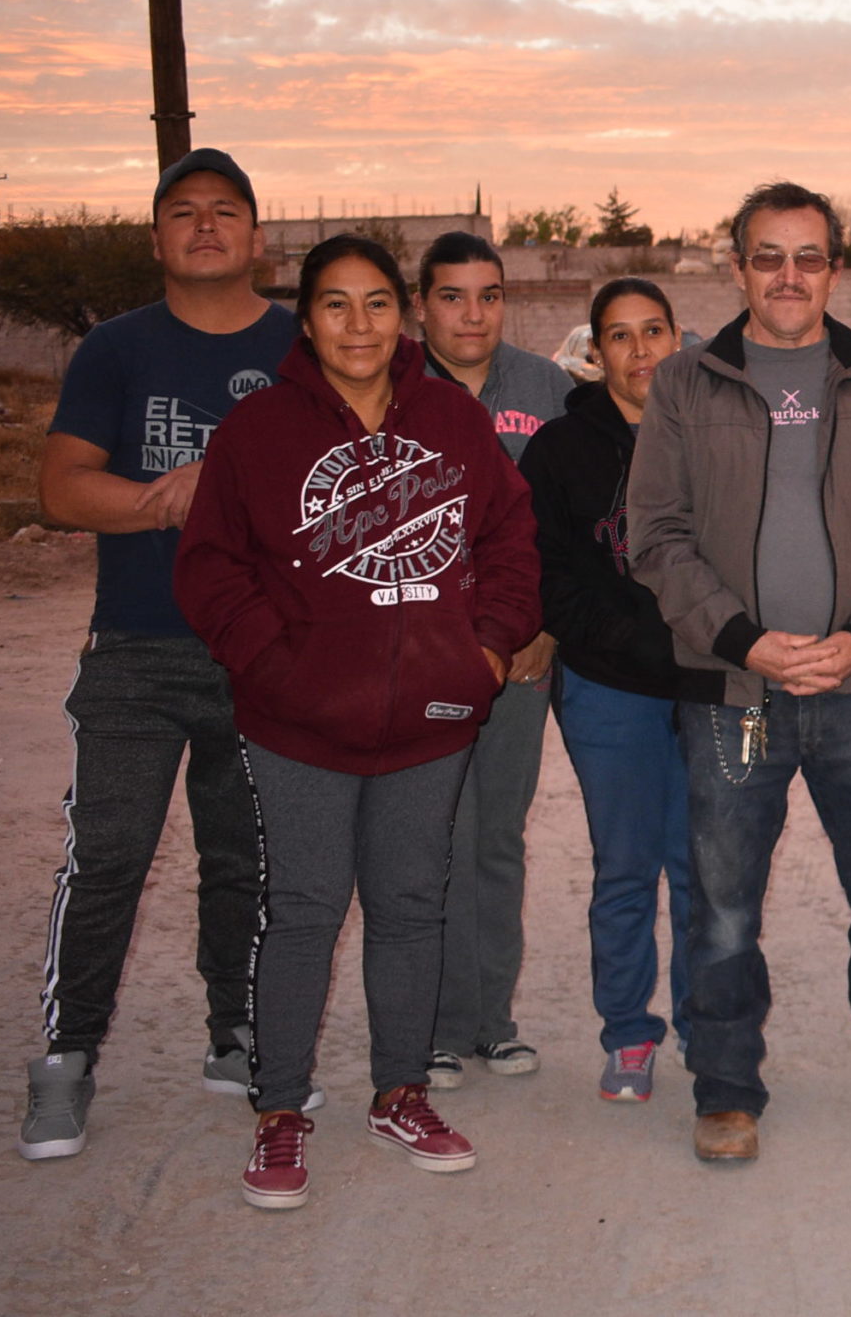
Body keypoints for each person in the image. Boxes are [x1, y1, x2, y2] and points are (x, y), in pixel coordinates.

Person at [174, 234, 540, 1210]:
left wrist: (491, 649)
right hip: (297, 727)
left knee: (412, 906)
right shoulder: (257, 430)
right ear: (307, 320)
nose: (360, 324)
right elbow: (210, 566)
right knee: (301, 911)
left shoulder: (449, 419)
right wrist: (273, 662)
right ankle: (281, 1106)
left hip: (430, 720)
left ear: (402, 314)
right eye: (337, 305)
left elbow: (509, 532)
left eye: (377, 303)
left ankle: (399, 1090)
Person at [627, 182, 851, 1161]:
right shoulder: (687, 384)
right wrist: (741, 639)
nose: (787, 274)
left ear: (834, 270)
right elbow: (657, 535)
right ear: (737, 268)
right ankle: (726, 1093)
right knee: (722, 909)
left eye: (807, 256)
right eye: (767, 255)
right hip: (735, 694)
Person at [17, 148, 298, 1161]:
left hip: (263, 653)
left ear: (258, 236)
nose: (208, 226)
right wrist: (159, 498)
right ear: (158, 238)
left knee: (247, 860)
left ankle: (235, 1031)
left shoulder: (305, 344)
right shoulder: (117, 351)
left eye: (228, 211)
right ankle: (65, 1057)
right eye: (185, 213)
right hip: (136, 648)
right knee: (108, 858)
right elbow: (59, 488)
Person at [517, 277, 721, 1104]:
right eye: (620, 336)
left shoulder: (718, 437)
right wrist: (638, 640)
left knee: (709, 865)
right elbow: (551, 579)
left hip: (712, 684)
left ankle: (711, 1026)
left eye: (654, 332)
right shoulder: (562, 449)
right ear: (596, 352)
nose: (641, 351)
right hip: (611, 690)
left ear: (679, 339)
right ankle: (629, 1033)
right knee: (629, 866)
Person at [411, 232, 571, 1089]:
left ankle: (492, 1021)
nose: (472, 314)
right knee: (433, 837)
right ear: (421, 304)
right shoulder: (390, 387)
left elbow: (568, 524)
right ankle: (430, 1025)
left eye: (488, 295)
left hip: (519, 659)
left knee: (498, 840)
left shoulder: (546, 388)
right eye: (451, 296)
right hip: (420, 657)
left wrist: (545, 626)